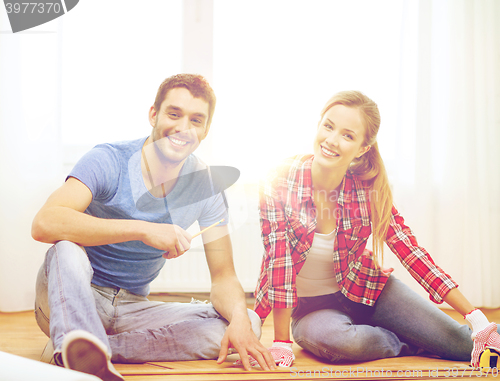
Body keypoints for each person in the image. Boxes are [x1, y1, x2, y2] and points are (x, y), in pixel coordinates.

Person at [31, 73, 275, 380]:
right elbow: (44, 223)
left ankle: (93, 350)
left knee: (248, 322)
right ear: (153, 114)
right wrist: (143, 229)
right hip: (73, 296)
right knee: (65, 248)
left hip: (132, 307)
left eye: (196, 120)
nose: (183, 128)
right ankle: (76, 343)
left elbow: (224, 276)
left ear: (206, 129)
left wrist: (238, 315)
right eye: (174, 114)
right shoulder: (108, 160)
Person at [251, 91, 500, 368]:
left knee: (465, 344)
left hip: (369, 287)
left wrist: (477, 319)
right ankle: (410, 342)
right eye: (328, 126)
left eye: (348, 135)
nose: (331, 140)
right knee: (341, 341)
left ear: (362, 148)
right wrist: (282, 341)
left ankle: (464, 334)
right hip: (312, 309)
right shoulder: (278, 180)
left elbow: (411, 253)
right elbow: (279, 261)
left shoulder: (368, 189)